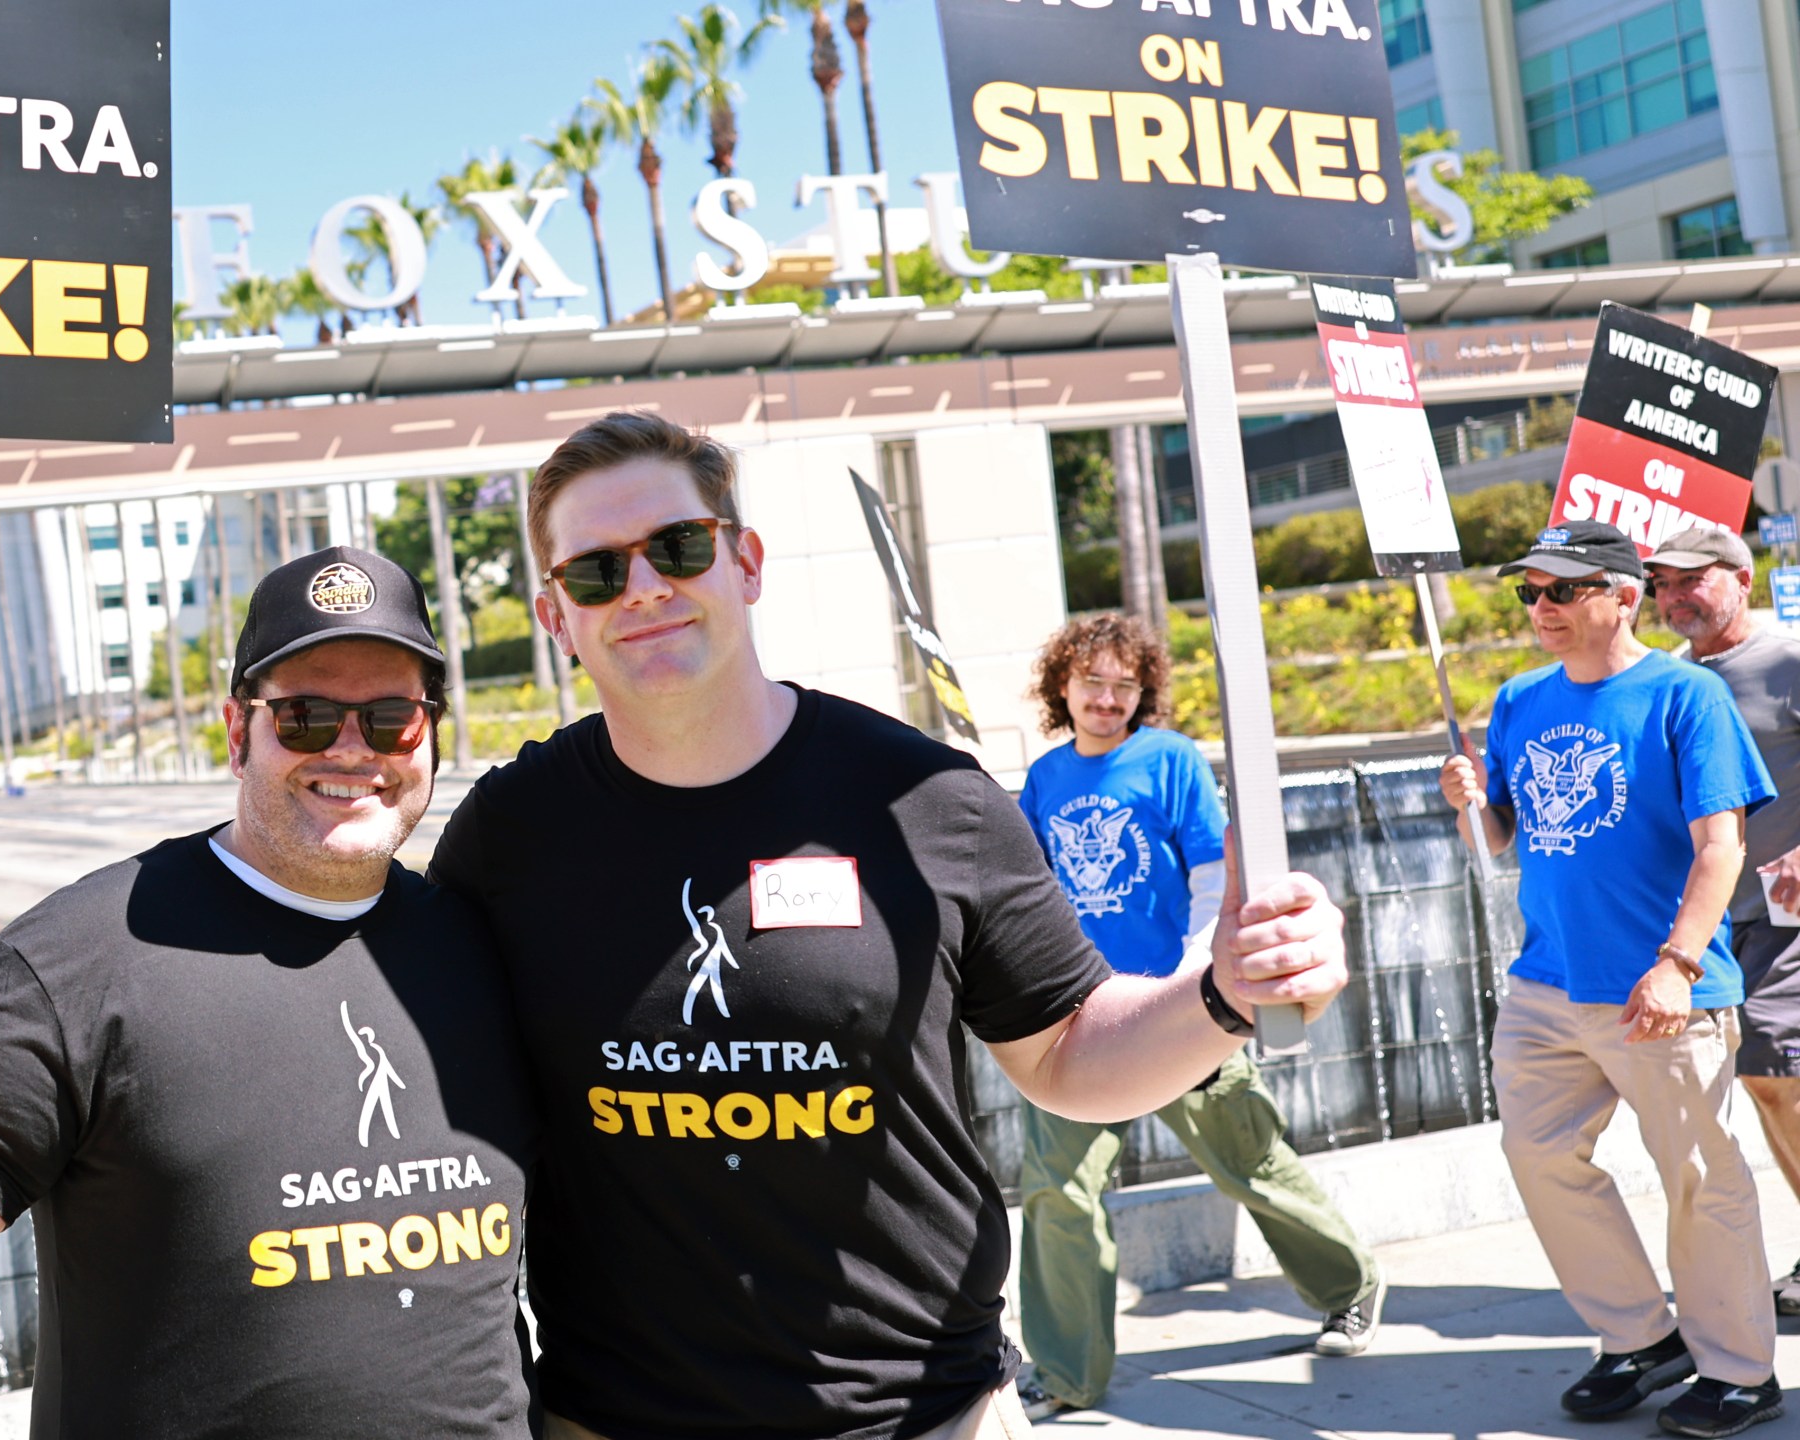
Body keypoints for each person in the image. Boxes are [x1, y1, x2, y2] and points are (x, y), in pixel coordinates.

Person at [430, 411, 1352, 1440]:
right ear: (556, 616)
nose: (643, 587)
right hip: (618, 1420)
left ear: (744, 561)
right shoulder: (508, 835)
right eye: (596, 572)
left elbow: (1066, 1053)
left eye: (679, 548)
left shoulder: (923, 798)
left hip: (922, 1413)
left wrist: (1222, 991)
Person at [0, 547, 537, 1439]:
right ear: (239, 732)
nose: (353, 749)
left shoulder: (481, 946)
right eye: (305, 717)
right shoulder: (81, 953)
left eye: (392, 718)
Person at [1439, 519, 1781, 1438]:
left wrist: (1675, 966)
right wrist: (1472, 802)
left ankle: (1742, 1373)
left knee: (1701, 1178)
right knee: (1540, 1158)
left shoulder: (1687, 696)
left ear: (1622, 596)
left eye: (1561, 590)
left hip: (1665, 990)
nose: (1540, 608)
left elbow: (1723, 847)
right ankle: (1639, 1335)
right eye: (1530, 593)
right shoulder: (1517, 699)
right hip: (1547, 982)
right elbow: (1506, 837)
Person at [1012, 613, 1382, 1419]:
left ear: (1142, 692)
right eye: (1092, 683)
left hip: (1181, 1009)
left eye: (1124, 685)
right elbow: (1036, 892)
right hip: (1080, 1019)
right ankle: (1067, 1372)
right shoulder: (1044, 779)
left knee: (1247, 1163)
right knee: (1058, 1192)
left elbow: (1214, 875)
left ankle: (1350, 1287)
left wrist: (1197, 974)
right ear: (1062, 688)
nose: (1107, 699)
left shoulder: (1172, 761)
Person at [1649, 525, 1800, 1316]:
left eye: (1691, 581)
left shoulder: (1785, 662)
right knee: (1769, 1083)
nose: (1674, 598)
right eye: (1662, 586)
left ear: (1742, 577)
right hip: (1712, 923)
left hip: (1789, 918)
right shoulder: (1673, 681)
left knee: (1771, 1072)